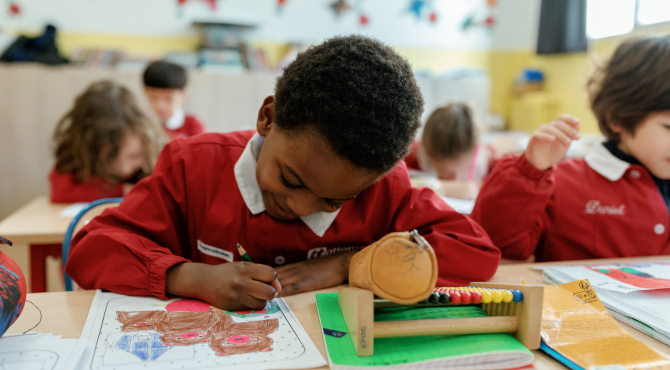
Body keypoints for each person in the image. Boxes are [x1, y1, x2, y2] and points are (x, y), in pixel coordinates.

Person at [65, 36, 500, 311]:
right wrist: (192, 277)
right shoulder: (191, 166)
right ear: (268, 118)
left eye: (333, 201)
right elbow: (92, 250)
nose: (298, 206)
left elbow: (474, 250)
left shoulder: (384, 188)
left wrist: (350, 263)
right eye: (291, 180)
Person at [471, 35, 670, 262]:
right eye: (668, 127)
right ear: (618, 119)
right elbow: (496, 245)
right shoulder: (559, 182)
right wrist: (529, 172)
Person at [50, 81, 167, 203]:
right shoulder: (76, 151)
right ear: (87, 148)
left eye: (134, 156)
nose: (125, 170)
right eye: (109, 158)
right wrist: (125, 190)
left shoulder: (156, 145)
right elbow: (61, 192)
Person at [404, 103, 494, 200]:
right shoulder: (409, 153)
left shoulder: (491, 164)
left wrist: (477, 187)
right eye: (445, 174)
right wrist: (439, 187)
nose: (456, 180)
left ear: (475, 153)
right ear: (427, 154)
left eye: (465, 169)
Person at [143, 61, 205, 140]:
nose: (160, 105)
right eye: (153, 97)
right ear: (145, 92)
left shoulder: (192, 124)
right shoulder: (141, 122)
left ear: (184, 95)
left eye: (168, 98)